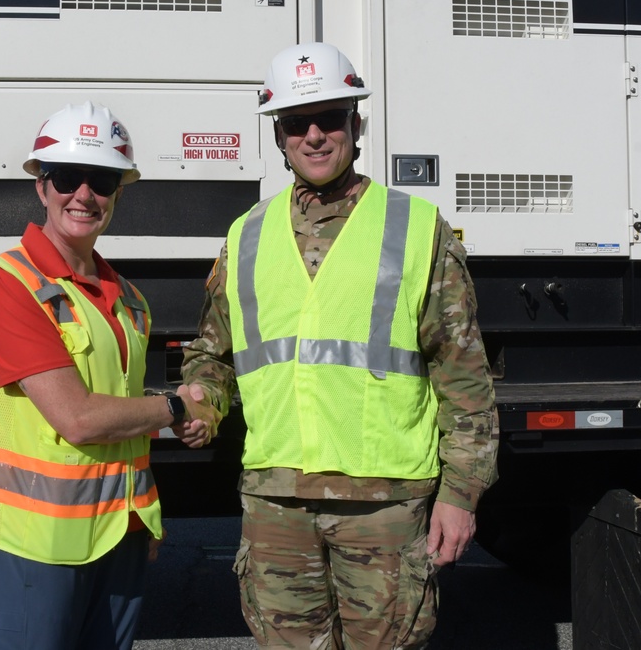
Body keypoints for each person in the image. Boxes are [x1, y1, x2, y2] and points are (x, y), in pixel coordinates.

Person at [181, 42, 499, 649]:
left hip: (385, 504)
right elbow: (213, 356)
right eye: (298, 123)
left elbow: (463, 377)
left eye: (331, 117)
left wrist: (461, 495)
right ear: (279, 135)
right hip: (276, 502)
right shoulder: (246, 236)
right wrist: (203, 400)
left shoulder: (414, 228)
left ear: (357, 124)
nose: (316, 135)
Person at [0, 101, 218, 650]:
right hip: (31, 546)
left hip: (118, 537)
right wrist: (175, 407)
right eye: (68, 177)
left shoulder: (128, 299)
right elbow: (78, 419)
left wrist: (171, 430)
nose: (83, 194)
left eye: (100, 179)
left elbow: (120, 408)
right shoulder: (7, 284)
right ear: (41, 186)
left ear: (118, 192)